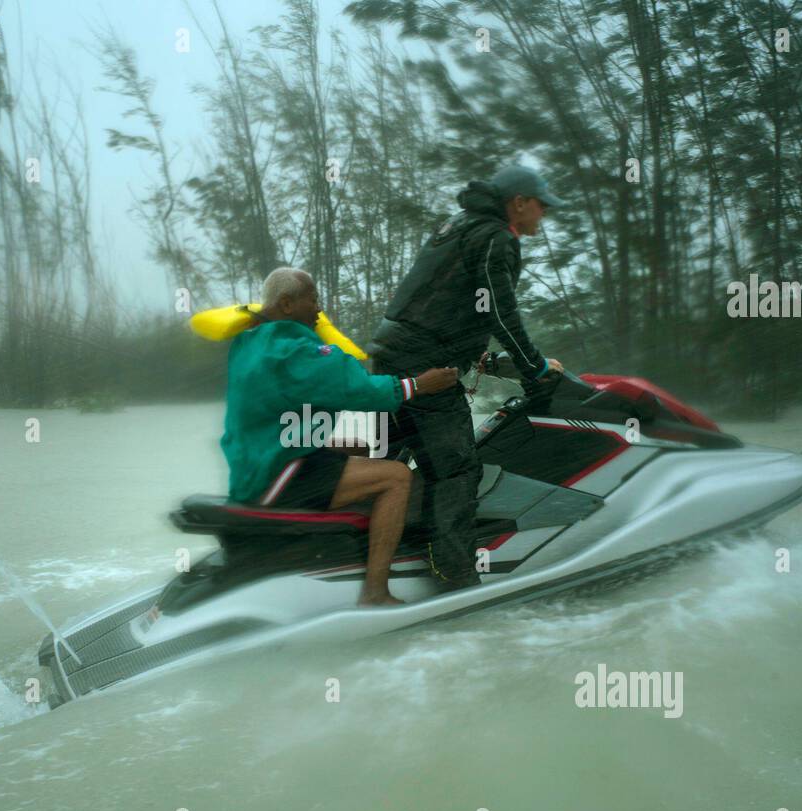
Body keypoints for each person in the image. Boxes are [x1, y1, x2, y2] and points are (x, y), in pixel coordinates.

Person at [368, 165, 565, 591]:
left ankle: (374, 552)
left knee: (391, 460)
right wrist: (536, 371)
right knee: (457, 468)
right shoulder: (496, 237)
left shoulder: (459, 225)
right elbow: (500, 312)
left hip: (389, 354)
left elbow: (446, 302)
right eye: (541, 205)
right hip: (425, 365)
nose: (544, 214)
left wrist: (484, 358)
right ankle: (453, 575)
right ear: (519, 203)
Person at [221, 267, 457, 606]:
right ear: (287, 304)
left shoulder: (250, 343)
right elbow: (352, 387)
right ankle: (375, 591)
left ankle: (354, 555)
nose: (319, 309)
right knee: (398, 477)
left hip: (257, 465)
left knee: (358, 448)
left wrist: (324, 443)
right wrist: (416, 385)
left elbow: (273, 410)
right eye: (313, 300)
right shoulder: (292, 349)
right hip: (279, 478)